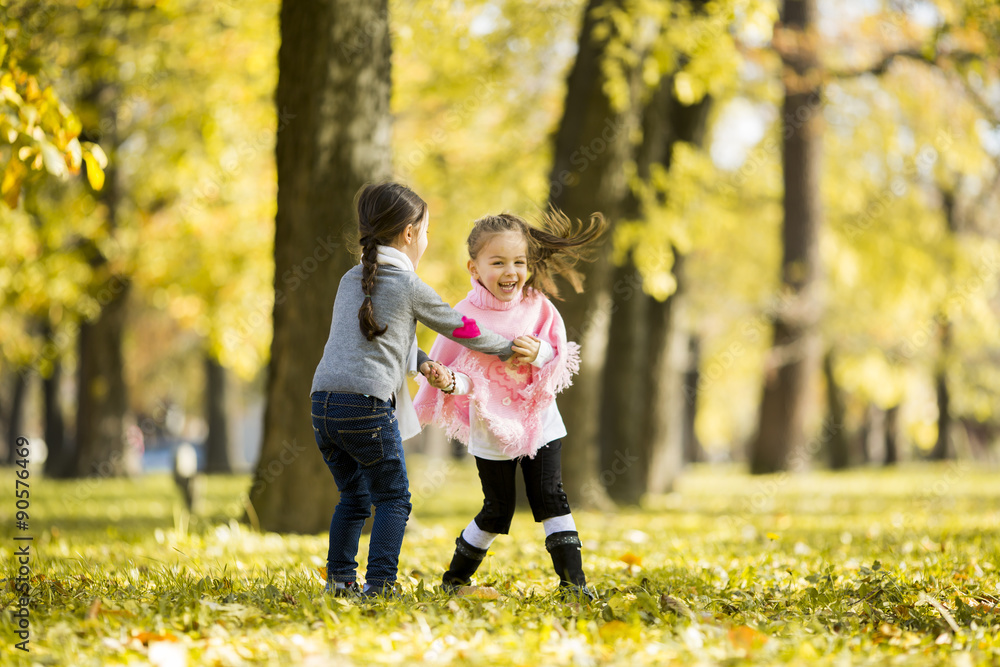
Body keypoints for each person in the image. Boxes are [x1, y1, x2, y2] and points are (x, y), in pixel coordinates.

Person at [311, 182, 522, 599]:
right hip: (366, 406)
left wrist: (421, 359)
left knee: (353, 496)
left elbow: (373, 341)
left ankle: (340, 582)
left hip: (323, 404)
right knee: (394, 498)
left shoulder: (350, 278)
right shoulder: (407, 284)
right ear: (409, 233)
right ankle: (381, 586)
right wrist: (509, 348)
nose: (427, 239)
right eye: (426, 231)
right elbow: (461, 328)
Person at [413, 208, 606, 601]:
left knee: (552, 498)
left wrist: (539, 352)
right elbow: (462, 373)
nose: (510, 271)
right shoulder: (464, 316)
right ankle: (454, 580)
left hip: (539, 419)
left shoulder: (538, 306)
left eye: (519, 262)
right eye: (497, 262)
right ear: (475, 266)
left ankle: (575, 587)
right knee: (497, 510)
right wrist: (448, 381)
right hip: (492, 426)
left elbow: (557, 356)